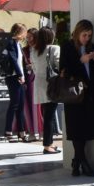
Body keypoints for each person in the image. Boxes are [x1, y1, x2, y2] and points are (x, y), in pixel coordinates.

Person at [60, 19, 94, 176]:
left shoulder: (93, 48)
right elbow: (64, 71)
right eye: (84, 35)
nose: (87, 38)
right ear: (78, 33)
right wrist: (81, 61)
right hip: (73, 94)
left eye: (89, 35)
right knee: (75, 128)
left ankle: (77, 160)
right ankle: (83, 162)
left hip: (89, 94)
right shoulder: (67, 47)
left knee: (85, 129)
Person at [33, 26, 61, 154]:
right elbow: (58, 65)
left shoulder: (34, 50)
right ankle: (47, 145)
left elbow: (34, 68)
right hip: (51, 83)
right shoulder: (54, 48)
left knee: (47, 114)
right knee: (50, 116)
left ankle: (49, 143)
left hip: (39, 83)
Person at [3, 23, 31, 142]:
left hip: (20, 77)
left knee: (20, 106)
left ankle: (21, 132)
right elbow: (13, 60)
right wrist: (20, 74)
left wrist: (23, 73)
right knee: (14, 104)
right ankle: (8, 131)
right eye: (24, 32)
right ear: (20, 32)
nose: (25, 35)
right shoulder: (10, 42)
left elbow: (19, 62)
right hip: (13, 77)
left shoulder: (18, 44)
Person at [23, 27, 43, 141]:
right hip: (28, 80)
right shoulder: (24, 50)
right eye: (27, 37)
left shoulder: (41, 49)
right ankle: (31, 132)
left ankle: (42, 132)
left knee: (40, 107)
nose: (29, 39)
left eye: (31, 37)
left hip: (39, 79)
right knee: (29, 106)